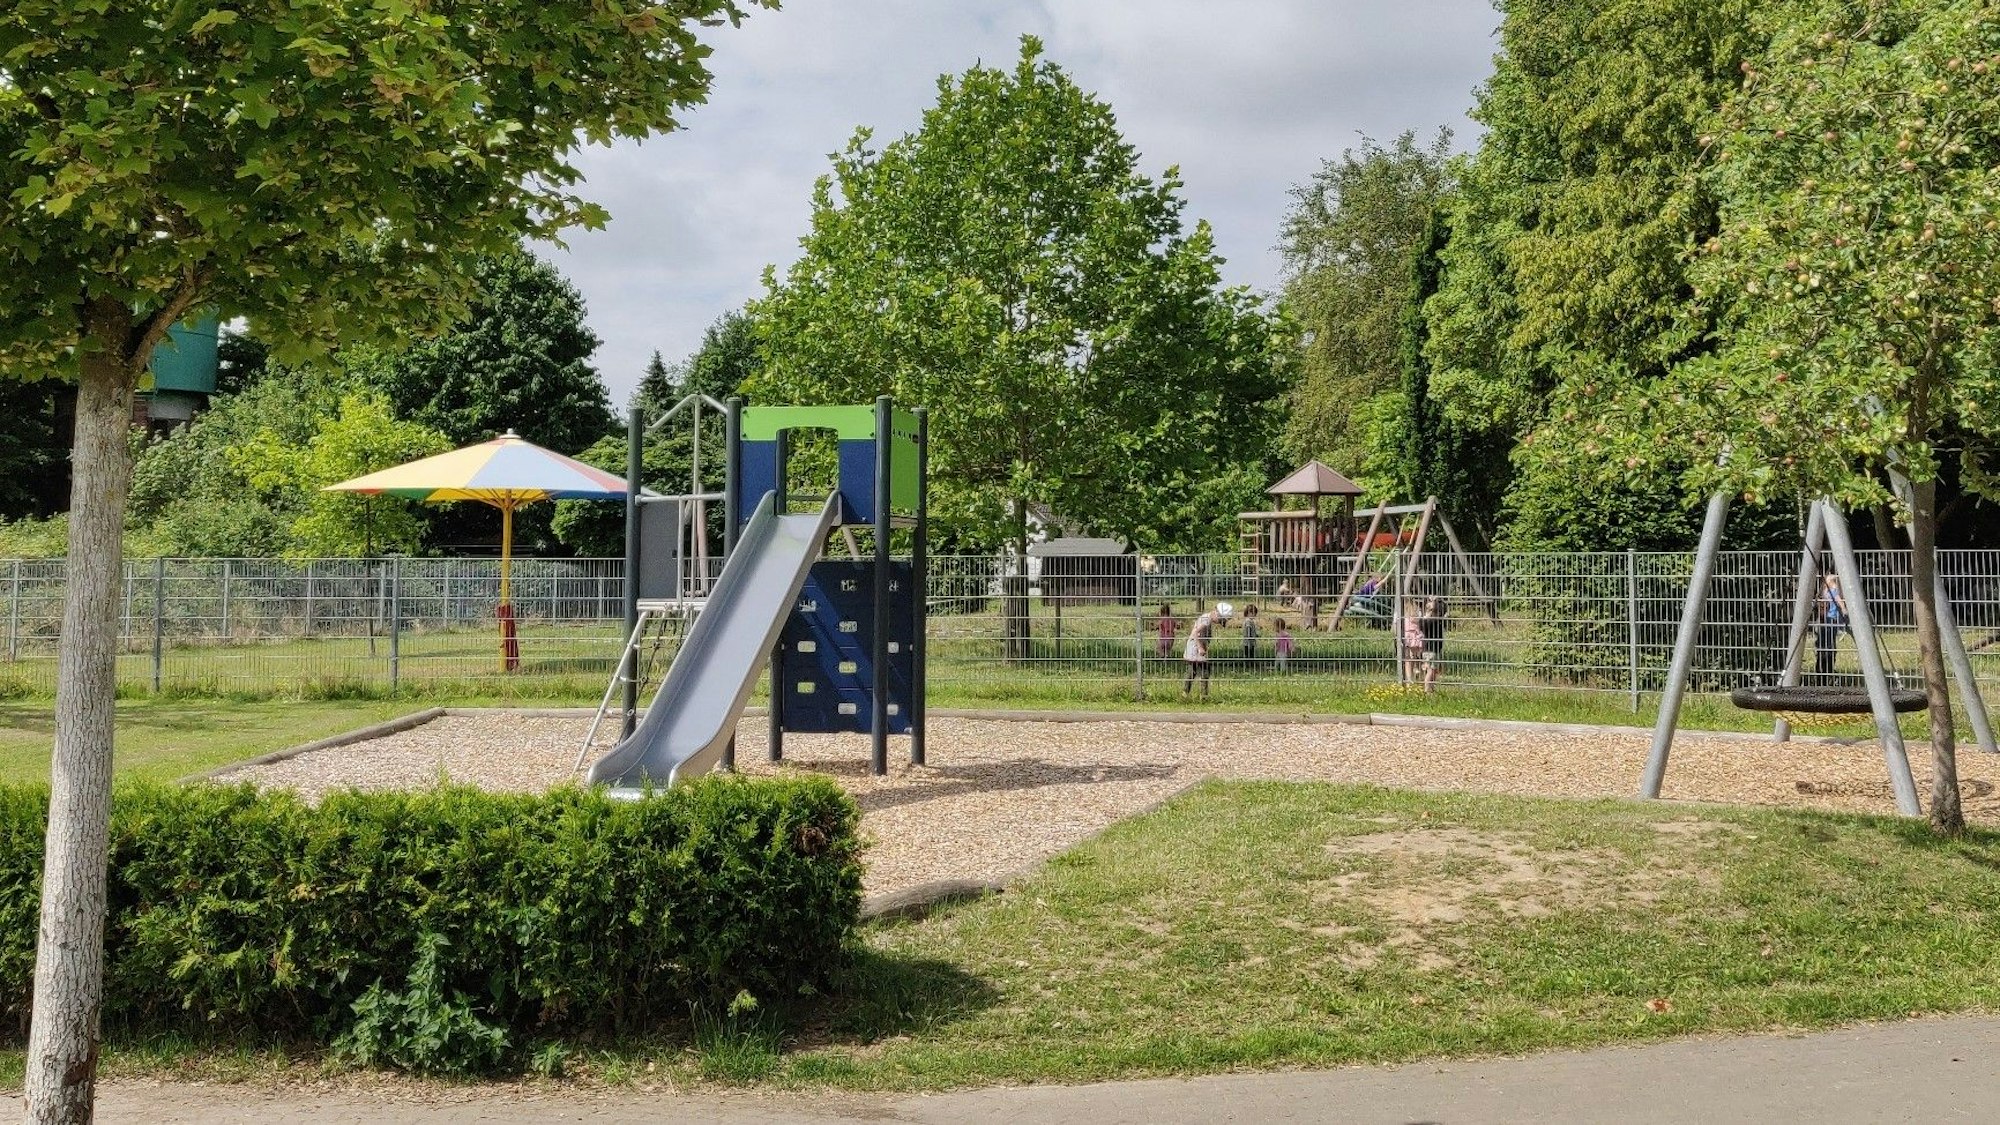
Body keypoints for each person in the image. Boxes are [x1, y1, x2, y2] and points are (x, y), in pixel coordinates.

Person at [1182, 601, 1233, 699]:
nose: (1219, 623)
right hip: (1195, 648)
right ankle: (1202, 695)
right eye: (1220, 620)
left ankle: (1187, 693)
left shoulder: (1207, 618)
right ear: (1216, 613)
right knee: (1203, 670)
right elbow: (1196, 633)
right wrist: (1200, 647)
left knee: (1194, 671)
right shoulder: (1206, 620)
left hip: (1196, 648)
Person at [1815, 574, 1849, 678]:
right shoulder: (1834, 591)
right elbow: (1840, 602)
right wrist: (1845, 612)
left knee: (1822, 642)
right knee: (1830, 644)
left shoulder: (1825, 592)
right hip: (1832, 620)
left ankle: (1820, 667)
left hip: (1823, 620)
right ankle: (1828, 668)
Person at [1419, 595, 1448, 693]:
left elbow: (1443, 608)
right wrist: (1431, 606)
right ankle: (1427, 690)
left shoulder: (1435, 619)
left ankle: (1431, 688)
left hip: (1432, 649)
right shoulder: (1432, 620)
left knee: (1434, 670)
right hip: (1431, 649)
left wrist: (1434, 601)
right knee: (1431, 670)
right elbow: (1423, 625)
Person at [1400, 599, 1425, 686]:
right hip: (1414, 635)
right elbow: (1419, 620)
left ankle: (1409, 679)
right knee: (1415, 656)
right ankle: (1415, 670)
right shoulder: (1417, 611)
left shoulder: (1402, 611)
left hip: (1407, 635)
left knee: (1408, 658)